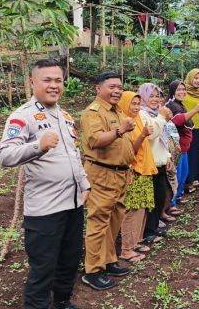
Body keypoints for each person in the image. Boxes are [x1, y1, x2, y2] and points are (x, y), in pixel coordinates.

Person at [0, 59, 90, 309]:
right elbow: (4, 155)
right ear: (32, 82)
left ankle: (62, 302)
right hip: (45, 211)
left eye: (58, 80)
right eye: (47, 80)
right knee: (43, 269)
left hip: (72, 205)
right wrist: (38, 145)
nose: (54, 85)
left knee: (69, 261)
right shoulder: (23, 116)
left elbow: (73, 155)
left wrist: (84, 184)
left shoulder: (66, 116)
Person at [80, 72, 136, 290]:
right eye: (112, 86)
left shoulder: (118, 111)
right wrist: (121, 130)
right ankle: (92, 271)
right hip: (102, 175)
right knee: (98, 222)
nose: (117, 91)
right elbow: (95, 141)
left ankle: (108, 260)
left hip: (120, 175)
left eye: (120, 87)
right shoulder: (92, 113)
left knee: (114, 220)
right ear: (98, 88)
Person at [117, 91, 155, 263]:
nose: (136, 107)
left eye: (138, 104)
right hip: (134, 171)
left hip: (144, 169)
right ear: (124, 104)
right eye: (133, 103)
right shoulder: (124, 123)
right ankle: (126, 249)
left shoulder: (138, 119)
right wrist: (143, 134)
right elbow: (130, 150)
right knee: (132, 211)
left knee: (141, 209)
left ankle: (136, 241)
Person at [138, 83, 173, 243]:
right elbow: (151, 135)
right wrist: (161, 117)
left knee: (158, 197)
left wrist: (167, 157)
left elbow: (162, 138)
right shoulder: (141, 114)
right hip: (147, 164)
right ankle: (147, 231)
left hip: (159, 162)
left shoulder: (155, 113)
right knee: (150, 201)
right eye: (151, 96)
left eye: (157, 96)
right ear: (143, 97)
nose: (154, 99)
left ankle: (153, 226)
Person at [165, 80, 199, 207]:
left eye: (183, 89)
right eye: (179, 90)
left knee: (183, 174)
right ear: (172, 91)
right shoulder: (172, 105)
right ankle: (172, 202)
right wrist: (195, 110)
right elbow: (178, 121)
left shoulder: (180, 104)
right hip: (177, 148)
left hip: (184, 148)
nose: (182, 92)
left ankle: (178, 195)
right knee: (176, 176)